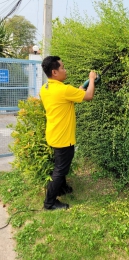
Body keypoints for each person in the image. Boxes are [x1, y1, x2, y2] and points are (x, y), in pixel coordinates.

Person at [40, 56, 97, 210]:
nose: (65, 70)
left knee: (61, 165)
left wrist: (76, 92)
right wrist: (91, 80)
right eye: (62, 68)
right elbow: (89, 96)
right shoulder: (64, 89)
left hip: (54, 134)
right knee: (60, 169)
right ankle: (49, 203)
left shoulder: (46, 88)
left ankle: (62, 188)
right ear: (54, 72)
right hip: (63, 138)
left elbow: (64, 100)